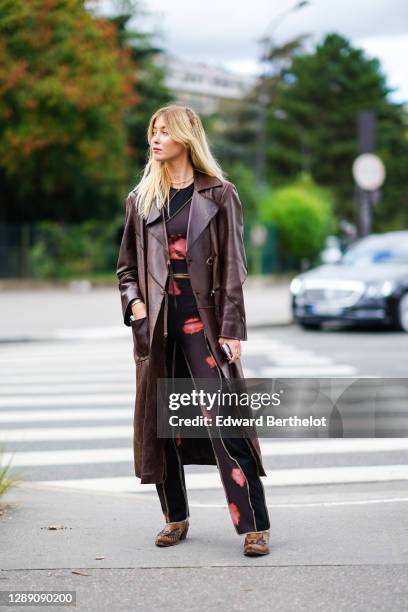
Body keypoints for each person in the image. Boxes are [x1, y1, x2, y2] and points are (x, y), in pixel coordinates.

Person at [116, 104, 270, 556]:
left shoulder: (220, 194)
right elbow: (126, 269)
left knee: (225, 422)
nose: (156, 139)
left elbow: (234, 269)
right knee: (163, 428)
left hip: (204, 322)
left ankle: (254, 524)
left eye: (165, 131)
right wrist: (137, 306)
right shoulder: (141, 199)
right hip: (158, 325)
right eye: (153, 132)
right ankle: (175, 518)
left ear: (186, 137)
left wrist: (231, 328)